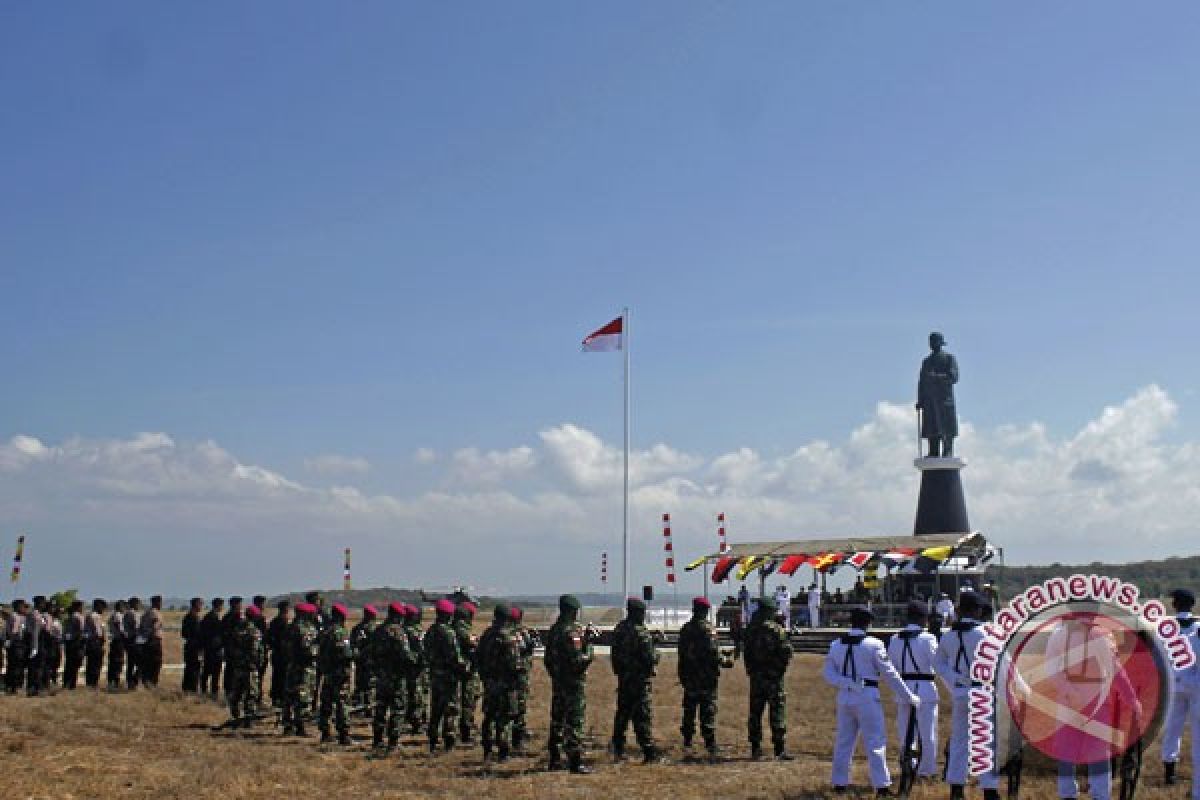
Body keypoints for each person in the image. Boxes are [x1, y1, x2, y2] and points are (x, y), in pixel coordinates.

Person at [824, 607, 920, 795]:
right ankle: (882, 785)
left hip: (845, 695)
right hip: (867, 696)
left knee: (844, 741)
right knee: (875, 741)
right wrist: (908, 696)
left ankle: (839, 782)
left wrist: (846, 683)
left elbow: (828, 673)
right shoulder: (873, 644)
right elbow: (890, 674)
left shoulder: (836, 644)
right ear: (867, 623)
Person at [936, 591, 1002, 800]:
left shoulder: (948, 635)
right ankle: (989, 789)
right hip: (983, 691)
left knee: (959, 741)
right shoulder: (986, 634)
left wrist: (954, 681)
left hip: (961, 693)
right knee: (986, 741)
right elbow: (1003, 663)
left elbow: (938, 664)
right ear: (976, 610)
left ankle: (956, 787)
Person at [886, 601, 940, 779]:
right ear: (922, 618)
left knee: (905, 731)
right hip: (924, 687)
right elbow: (937, 663)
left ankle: (908, 763)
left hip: (903, 687)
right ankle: (927, 769)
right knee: (927, 732)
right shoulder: (928, 639)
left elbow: (891, 667)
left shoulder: (895, 639)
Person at [544, 594, 595, 773]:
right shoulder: (572, 632)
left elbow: (547, 660)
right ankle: (575, 761)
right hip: (573, 683)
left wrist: (556, 675)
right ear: (573, 611)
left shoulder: (554, 630)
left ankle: (555, 759)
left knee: (557, 720)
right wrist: (589, 647)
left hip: (559, 682)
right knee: (574, 721)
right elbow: (579, 661)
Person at [678, 596, 733, 761]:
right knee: (707, 710)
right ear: (705, 611)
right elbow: (713, 653)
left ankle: (687, 740)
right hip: (705, 677)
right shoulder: (708, 630)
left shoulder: (686, 628)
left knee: (689, 710)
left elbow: (682, 653)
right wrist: (726, 661)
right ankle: (710, 743)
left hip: (689, 675)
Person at [610, 597, 664, 764]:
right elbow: (649, 657)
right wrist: (656, 650)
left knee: (622, 715)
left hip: (624, 678)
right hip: (640, 681)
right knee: (642, 717)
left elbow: (616, 653)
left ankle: (618, 749)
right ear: (638, 613)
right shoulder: (641, 632)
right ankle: (649, 752)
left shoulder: (620, 628)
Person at [743, 596, 793, 760]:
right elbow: (786, 652)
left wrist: (751, 670)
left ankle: (755, 748)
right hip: (773, 678)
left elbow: (747, 653)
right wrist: (779, 669)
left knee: (755, 713)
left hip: (756, 677)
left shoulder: (751, 628)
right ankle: (779, 749)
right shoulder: (776, 630)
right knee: (777, 711)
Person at [370, 602, 416, 755]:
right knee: (398, 709)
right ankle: (393, 743)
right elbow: (406, 655)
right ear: (398, 616)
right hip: (396, 676)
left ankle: (377, 741)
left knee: (380, 708)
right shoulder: (398, 632)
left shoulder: (378, 630)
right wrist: (416, 659)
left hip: (381, 675)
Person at [476, 603, 519, 762]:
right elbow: (514, 663)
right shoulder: (507, 637)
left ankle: (487, 748)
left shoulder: (487, 634)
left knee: (489, 716)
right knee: (504, 718)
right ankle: (503, 751)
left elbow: (478, 657)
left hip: (489, 681)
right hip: (505, 684)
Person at [1163, 588, 1196, 785]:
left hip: (1173, 684)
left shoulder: (1165, 628)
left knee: (1172, 729)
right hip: (1196, 683)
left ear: (1175, 604)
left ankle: (1170, 772)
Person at [424, 598, 465, 753]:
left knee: (435, 710)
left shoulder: (431, 631)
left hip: (435, 675)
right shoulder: (448, 633)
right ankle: (449, 742)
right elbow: (455, 657)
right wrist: (465, 667)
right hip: (448, 677)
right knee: (450, 709)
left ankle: (433, 741)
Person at [316, 603, 355, 746]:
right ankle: (344, 735)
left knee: (326, 702)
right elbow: (346, 653)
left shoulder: (325, 631)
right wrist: (356, 653)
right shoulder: (340, 632)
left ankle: (325, 732)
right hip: (340, 673)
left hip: (328, 672)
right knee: (342, 703)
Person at [916, 330, 959, 458]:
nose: (932, 343)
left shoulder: (949, 358)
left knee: (947, 427)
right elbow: (921, 383)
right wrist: (920, 400)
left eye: (935, 341)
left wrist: (937, 377)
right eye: (931, 341)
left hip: (945, 400)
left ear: (940, 343)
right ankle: (933, 451)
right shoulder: (926, 362)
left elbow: (954, 377)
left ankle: (948, 450)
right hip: (929, 401)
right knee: (931, 427)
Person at [223, 603, 264, 729]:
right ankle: (248, 719)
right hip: (250, 667)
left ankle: (235, 715)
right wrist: (258, 663)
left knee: (237, 692)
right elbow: (256, 652)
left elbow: (231, 646)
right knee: (251, 694)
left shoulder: (237, 629)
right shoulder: (254, 632)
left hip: (238, 666)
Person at [282, 602, 320, 737]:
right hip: (304, 668)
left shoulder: (291, 627)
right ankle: (300, 727)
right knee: (302, 698)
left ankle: (287, 726)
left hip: (292, 666)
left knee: (289, 697)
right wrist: (320, 649)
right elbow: (308, 650)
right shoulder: (305, 629)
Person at [454, 602, 481, 744]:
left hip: (460, 669)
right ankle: (466, 730)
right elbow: (472, 644)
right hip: (466, 670)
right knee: (468, 700)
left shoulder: (456, 627)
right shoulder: (461, 628)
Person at [510, 606, 536, 754]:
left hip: (511, 674)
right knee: (519, 705)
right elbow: (525, 649)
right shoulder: (519, 633)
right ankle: (517, 736)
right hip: (519, 674)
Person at [403, 604, 429, 735]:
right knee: (417, 695)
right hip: (415, 668)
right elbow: (423, 649)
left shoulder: (403, 629)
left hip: (408, 668)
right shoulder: (412, 631)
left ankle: (414, 719)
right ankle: (417, 723)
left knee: (412, 694)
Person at [350, 604, 379, 712]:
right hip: (370, 661)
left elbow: (352, 644)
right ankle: (369, 707)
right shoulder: (374, 628)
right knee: (370, 685)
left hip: (360, 660)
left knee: (360, 683)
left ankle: (359, 704)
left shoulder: (356, 628)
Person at [266, 600, 290, 708]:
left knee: (276, 677)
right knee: (282, 677)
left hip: (276, 653)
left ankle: (275, 698)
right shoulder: (283, 621)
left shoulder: (274, 621)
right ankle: (280, 699)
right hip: (283, 654)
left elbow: (269, 638)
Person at [199, 597, 225, 697]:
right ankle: (211, 692)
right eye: (222, 605)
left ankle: (206, 691)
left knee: (209, 672)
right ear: (219, 606)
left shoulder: (209, 616)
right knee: (212, 673)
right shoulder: (212, 617)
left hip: (211, 649)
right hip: (213, 649)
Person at [138, 595, 164, 687]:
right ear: (157, 603)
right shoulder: (155, 613)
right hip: (154, 640)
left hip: (146, 641)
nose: (161, 604)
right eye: (160, 602)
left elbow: (140, 628)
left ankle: (146, 682)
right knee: (156, 662)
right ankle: (152, 683)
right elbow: (155, 626)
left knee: (147, 663)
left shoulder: (145, 613)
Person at [5, 599, 29, 694]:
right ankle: (13, 686)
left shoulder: (22, 617)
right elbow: (14, 632)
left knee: (19, 665)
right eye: (23, 606)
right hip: (16, 643)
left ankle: (16, 685)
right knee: (15, 666)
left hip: (21, 643)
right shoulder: (14, 617)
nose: (25, 609)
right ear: (18, 607)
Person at [181, 598, 204, 693]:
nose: (202, 606)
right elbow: (199, 634)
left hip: (189, 646)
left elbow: (183, 634)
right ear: (196, 605)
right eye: (201, 604)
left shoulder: (187, 617)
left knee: (189, 669)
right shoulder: (195, 618)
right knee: (194, 669)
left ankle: (186, 689)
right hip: (195, 648)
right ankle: (192, 690)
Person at [83, 598, 107, 689]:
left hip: (91, 644)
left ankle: (91, 684)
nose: (103, 610)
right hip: (95, 643)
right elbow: (98, 633)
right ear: (98, 607)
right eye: (103, 608)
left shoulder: (91, 616)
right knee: (95, 665)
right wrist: (103, 639)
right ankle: (92, 684)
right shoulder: (95, 617)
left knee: (92, 665)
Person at [62, 600, 86, 690]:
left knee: (69, 664)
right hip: (77, 643)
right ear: (78, 607)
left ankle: (66, 683)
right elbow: (81, 631)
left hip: (69, 644)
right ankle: (72, 685)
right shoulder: (79, 617)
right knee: (75, 664)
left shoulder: (68, 618)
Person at [122, 597, 141, 689]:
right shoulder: (133, 614)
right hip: (134, 640)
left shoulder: (126, 614)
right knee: (141, 663)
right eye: (138, 604)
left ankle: (129, 681)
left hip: (128, 640)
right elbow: (136, 627)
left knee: (130, 663)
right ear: (134, 604)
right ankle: (134, 681)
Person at [106, 599, 126, 690]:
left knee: (113, 662)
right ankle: (115, 682)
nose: (124, 609)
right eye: (124, 607)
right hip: (118, 641)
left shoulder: (112, 615)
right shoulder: (118, 616)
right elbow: (120, 629)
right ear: (120, 607)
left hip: (114, 641)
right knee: (118, 662)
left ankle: (111, 681)